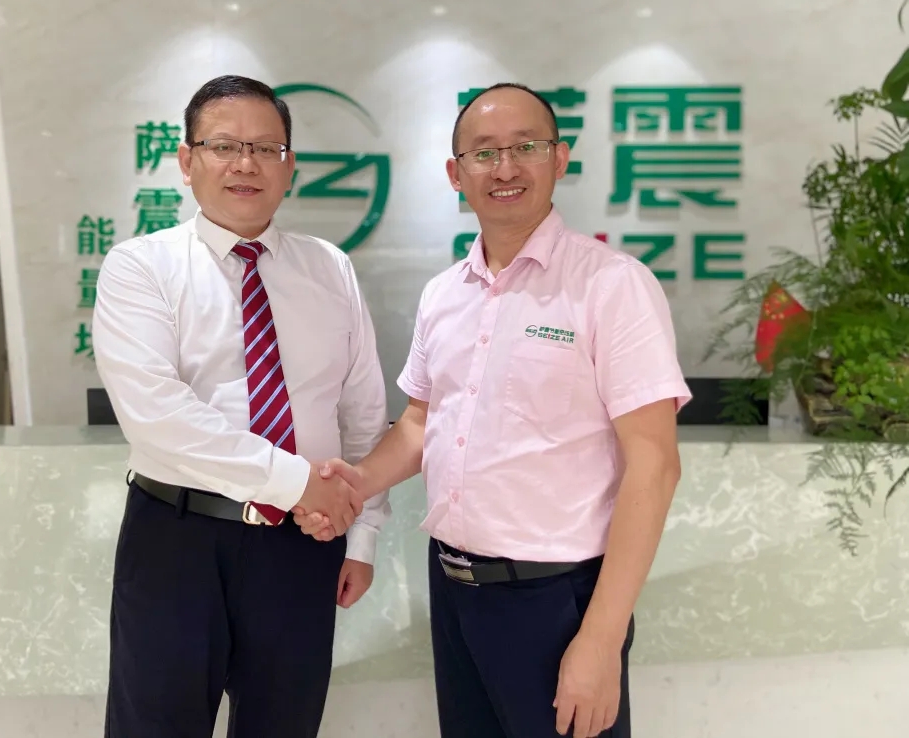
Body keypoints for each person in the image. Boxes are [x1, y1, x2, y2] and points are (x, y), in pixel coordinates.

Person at [294, 83, 691, 738]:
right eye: (483, 153)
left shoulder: (613, 285)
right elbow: (421, 422)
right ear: (457, 174)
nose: (505, 168)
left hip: (558, 599)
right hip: (454, 590)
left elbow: (655, 466)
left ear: (559, 158)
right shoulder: (443, 295)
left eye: (525, 147)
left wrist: (600, 640)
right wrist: (356, 483)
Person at [92, 74, 389, 738]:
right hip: (178, 537)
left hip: (304, 544)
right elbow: (157, 414)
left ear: (291, 166)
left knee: (285, 724)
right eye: (224, 145)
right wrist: (297, 482)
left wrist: (363, 534)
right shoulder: (140, 266)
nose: (246, 164)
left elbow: (363, 410)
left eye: (265, 148)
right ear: (186, 159)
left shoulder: (330, 268)